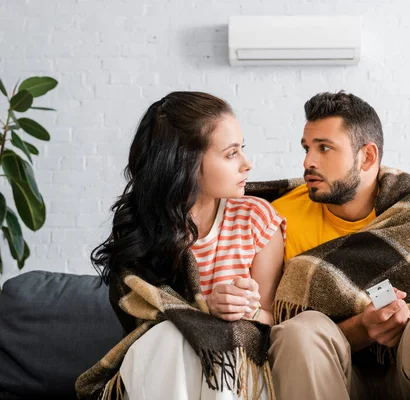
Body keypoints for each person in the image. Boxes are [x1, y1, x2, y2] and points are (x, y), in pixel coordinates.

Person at [257, 91, 410, 400]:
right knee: (300, 332)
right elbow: (267, 330)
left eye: (324, 148)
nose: (308, 162)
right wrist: (362, 327)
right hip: (333, 374)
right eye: (307, 148)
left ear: (368, 157)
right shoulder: (279, 217)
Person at [76, 92, 285, 400]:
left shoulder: (256, 220)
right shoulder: (142, 229)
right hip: (161, 361)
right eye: (231, 154)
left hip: (236, 369)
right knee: (172, 335)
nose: (247, 164)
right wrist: (204, 307)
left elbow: (273, 322)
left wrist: (245, 309)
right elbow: (141, 323)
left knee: (223, 342)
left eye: (243, 150)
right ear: (186, 162)